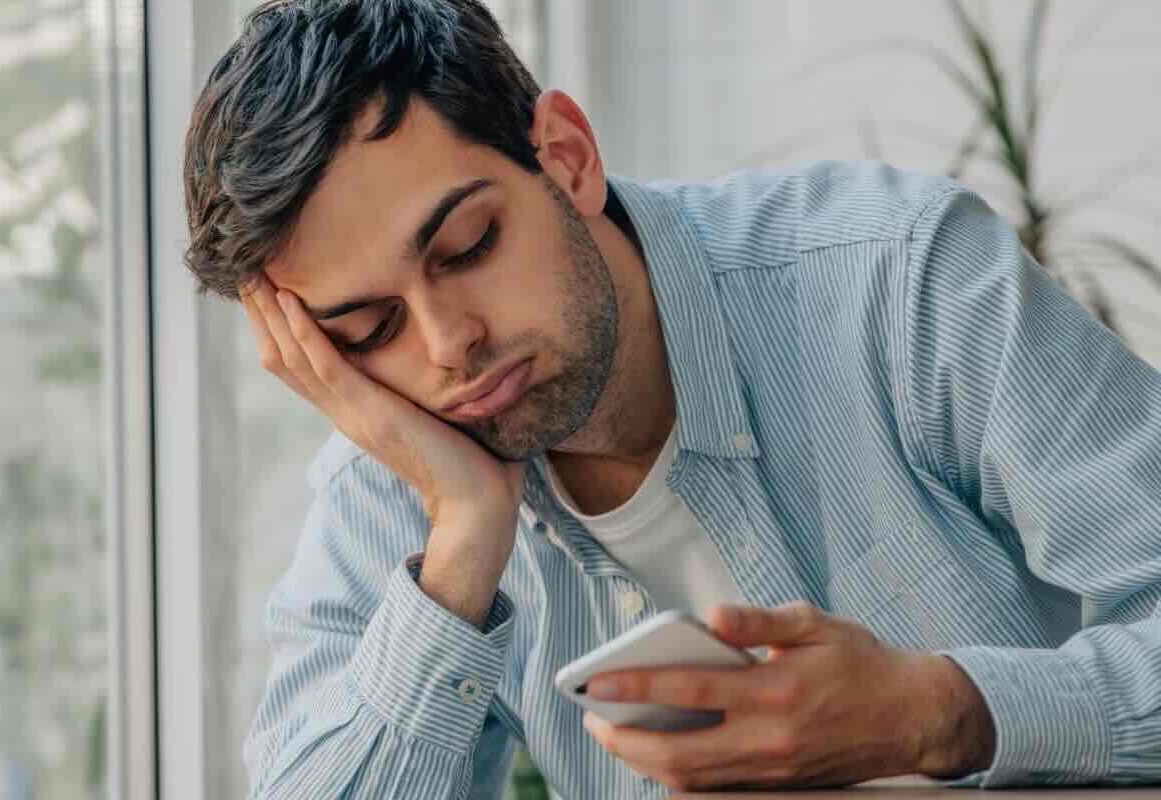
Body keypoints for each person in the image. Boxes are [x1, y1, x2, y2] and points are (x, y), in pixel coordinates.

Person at [182, 1, 1161, 797]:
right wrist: (465, 538)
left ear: (566, 155)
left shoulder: (900, 280)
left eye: (470, 244)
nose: (448, 346)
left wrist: (938, 709)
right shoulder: (397, 483)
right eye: (366, 330)